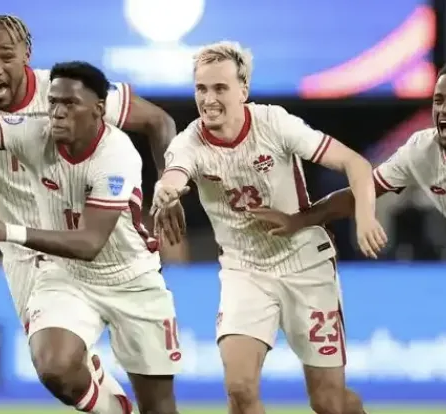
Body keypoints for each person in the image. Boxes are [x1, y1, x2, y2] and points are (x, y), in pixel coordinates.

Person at [0, 14, 180, 407]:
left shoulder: (63, 95)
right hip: (27, 256)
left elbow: (158, 120)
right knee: (56, 370)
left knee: (158, 404)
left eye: (6, 56)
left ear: (27, 54)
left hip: (102, 248)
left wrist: (169, 185)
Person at [151, 41, 386, 414]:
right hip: (245, 272)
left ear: (243, 90)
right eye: (201, 88)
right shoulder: (189, 142)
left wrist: (366, 216)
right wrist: (167, 191)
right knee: (239, 389)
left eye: (220, 88)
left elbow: (355, 163)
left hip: (306, 266)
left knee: (329, 402)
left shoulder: (274, 123)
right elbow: (175, 174)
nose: (208, 99)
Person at [247, 62, 446, 414]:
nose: (444, 110)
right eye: (438, 100)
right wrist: (301, 219)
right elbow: (361, 193)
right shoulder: (422, 152)